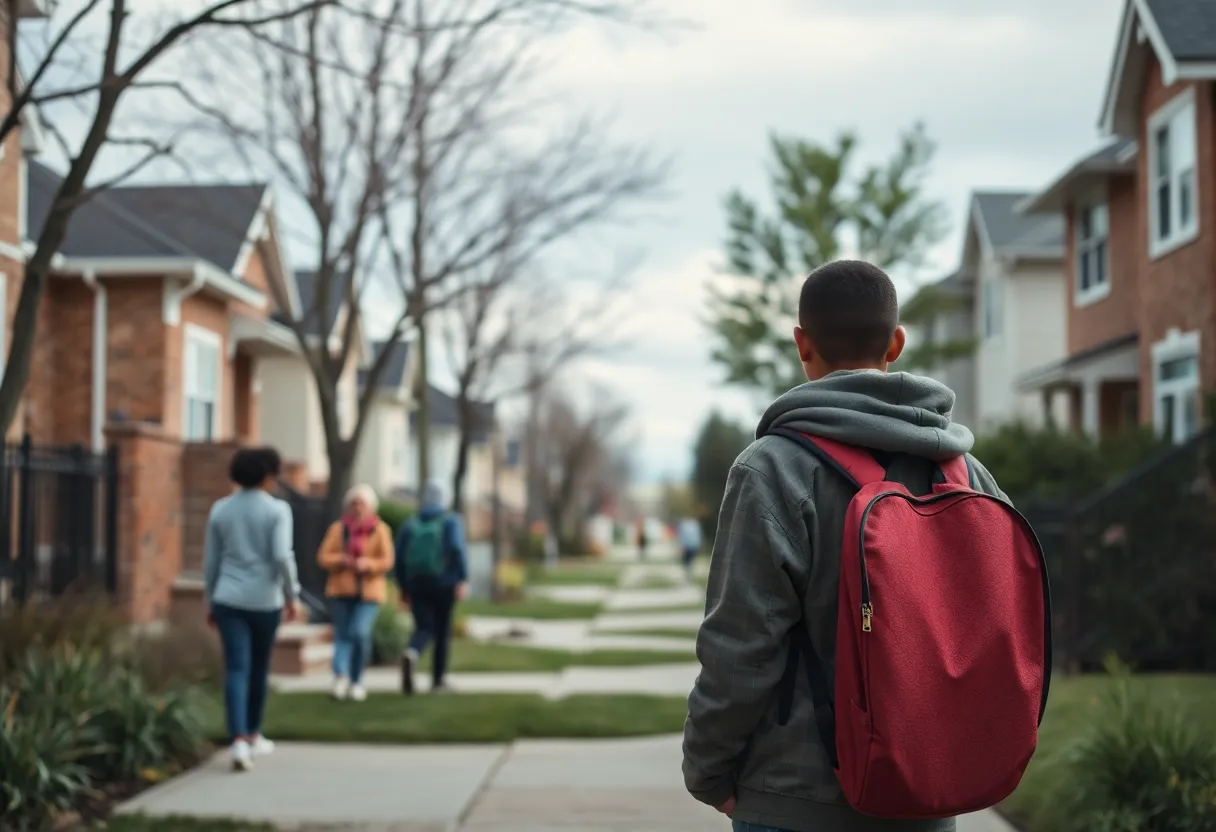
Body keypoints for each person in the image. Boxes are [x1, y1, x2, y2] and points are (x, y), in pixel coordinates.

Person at [683, 260, 1008, 832]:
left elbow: (740, 640)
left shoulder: (773, 469)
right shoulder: (964, 473)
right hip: (923, 793)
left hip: (793, 797)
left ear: (800, 343)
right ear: (896, 344)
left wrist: (708, 769)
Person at [204, 446, 303, 772]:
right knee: (259, 668)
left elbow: (211, 562)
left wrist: (210, 600)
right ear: (266, 475)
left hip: (228, 599)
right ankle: (253, 733)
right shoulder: (277, 511)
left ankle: (238, 741)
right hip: (264, 602)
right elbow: (281, 556)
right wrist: (292, 595)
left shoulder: (220, 509)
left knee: (235, 668)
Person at [317, 484, 395, 702]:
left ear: (371, 506)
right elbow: (323, 557)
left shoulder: (380, 530)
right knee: (342, 635)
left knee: (360, 633)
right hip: (341, 590)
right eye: (354, 503)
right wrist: (341, 560)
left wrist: (367, 564)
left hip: (369, 593)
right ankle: (340, 676)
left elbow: (387, 560)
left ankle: (357, 680)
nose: (358, 507)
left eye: (362, 503)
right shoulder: (338, 529)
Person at [396, 480, 468, 695]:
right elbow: (457, 549)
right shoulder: (450, 521)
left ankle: (413, 651)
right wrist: (462, 578)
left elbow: (399, 558)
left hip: (417, 583)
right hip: (445, 583)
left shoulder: (411, 523)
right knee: (442, 631)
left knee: (424, 627)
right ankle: (438, 681)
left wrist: (403, 587)